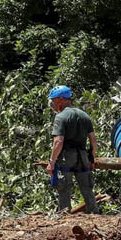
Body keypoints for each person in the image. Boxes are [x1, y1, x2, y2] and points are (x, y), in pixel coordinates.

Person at [46, 85, 100, 214]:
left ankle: (65, 215)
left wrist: (52, 162)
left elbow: (58, 141)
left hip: (66, 157)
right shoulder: (84, 115)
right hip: (82, 156)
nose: (52, 103)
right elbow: (93, 140)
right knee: (87, 187)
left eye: (53, 100)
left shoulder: (60, 117)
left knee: (64, 187)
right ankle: (95, 213)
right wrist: (91, 158)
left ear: (60, 99)